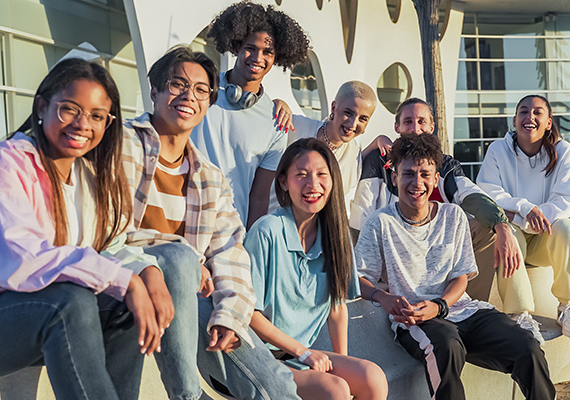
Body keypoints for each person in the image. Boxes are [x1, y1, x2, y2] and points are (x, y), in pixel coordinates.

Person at [0, 58, 167, 400]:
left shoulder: (89, 179)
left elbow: (112, 244)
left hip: (27, 322)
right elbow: (17, 258)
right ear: (42, 106)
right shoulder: (6, 163)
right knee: (69, 302)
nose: (82, 124)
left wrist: (145, 272)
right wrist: (125, 281)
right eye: (69, 109)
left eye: (96, 116)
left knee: (122, 306)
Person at [118, 45, 301, 400]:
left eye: (201, 90)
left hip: (188, 296)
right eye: (177, 84)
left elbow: (231, 252)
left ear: (208, 103)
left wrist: (231, 312)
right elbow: (103, 233)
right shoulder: (119, 146)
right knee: (182, 259)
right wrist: (182, 256)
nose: (189, 96)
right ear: (153, 91)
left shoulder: (210, 179)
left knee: (277, 386)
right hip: (122, 285)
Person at [354, 133, 555, 400]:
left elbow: (461, 278)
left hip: (461, 309)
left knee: (527, 346)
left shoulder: (453, 215)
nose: (417, 183)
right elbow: (359, 279)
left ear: (436, 179)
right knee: (447, 347)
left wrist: (441, 305)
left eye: (425, 174)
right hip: (415, 319)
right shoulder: (380, 223)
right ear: (394, 177)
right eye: (408, 174)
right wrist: (383, 297)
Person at [348, 98, 536, 341]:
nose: (415, 128)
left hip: (434, 253)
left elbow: (470, 194)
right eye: (408, 122)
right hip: (392, 257)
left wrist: (501, 225)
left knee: (491, 230)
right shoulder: (378, 160)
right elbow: (360, 215)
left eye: (421, 122)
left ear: (432, 127)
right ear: (396, 127)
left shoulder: (444, 163)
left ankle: (477, 313)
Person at [246, 138, 388, 400]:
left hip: (297, 356)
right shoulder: (266, 231)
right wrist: (302, 352)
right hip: (254, 356)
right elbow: (248, 314)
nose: (313, 184)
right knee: (334, 390)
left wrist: (341, 363)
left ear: (333, 180)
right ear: (283, 183)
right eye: (301, 175)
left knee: (373, 378)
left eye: (322, 174)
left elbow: (336, 306)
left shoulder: (336, 235)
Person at [190, 1, 311, 230]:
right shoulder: (202, 88)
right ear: (236, 46)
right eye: (250, 48)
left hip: (229, 233)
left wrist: (250, 246)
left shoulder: (276, 121)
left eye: (267, 52)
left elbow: (259, 197)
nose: (258, 57)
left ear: (277, 58)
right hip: (183, 215)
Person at [476, 94, 570, 339]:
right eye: (524, 112)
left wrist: (518, 214)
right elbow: (489, 191)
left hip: (544, 241)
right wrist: (526, 208)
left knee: (568, 228)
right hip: (514, 235)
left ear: (548, 122)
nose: (530, 117)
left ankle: (567, 305)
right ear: (515, 120)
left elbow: (566, 200)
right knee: (506, 232)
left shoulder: (563, 151)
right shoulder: (498, 149)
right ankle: (519, 314)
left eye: (538, 112)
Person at [289, 81, 390, 209]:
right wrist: (278, 104)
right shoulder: (296, 126)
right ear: (333, 108)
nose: (353, 124)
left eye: (363, 119)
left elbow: (359, 162)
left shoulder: (353, 153)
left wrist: (379, 140)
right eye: (348, 113)